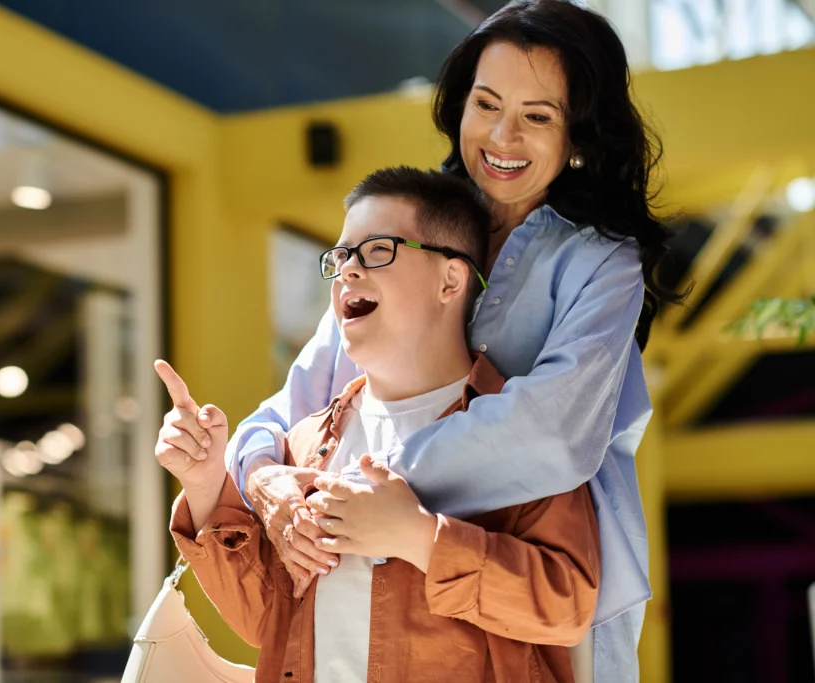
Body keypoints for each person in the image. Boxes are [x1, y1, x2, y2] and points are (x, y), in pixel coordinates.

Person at [221, 2, 684, 681]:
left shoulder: (601, 263)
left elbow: (557, 433)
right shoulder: (407, 228)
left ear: (578, 135)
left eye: (537, 116)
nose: (502, 135)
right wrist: (268, 482)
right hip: (383, 567)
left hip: (533, 584)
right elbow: (293, 406)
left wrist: (368, 487)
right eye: (486, 103)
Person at [156, 167, 601, 682]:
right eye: (340, 256)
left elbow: (567, 607)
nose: (347, 271)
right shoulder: (305, 445)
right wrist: (207, 483)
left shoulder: (524, 431)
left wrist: (420, 538)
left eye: (377, 251)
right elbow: (270, 623)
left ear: (451, 280)